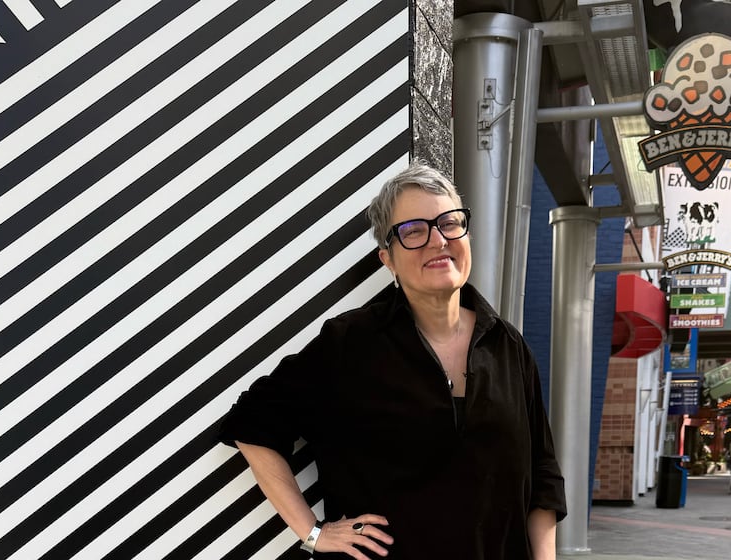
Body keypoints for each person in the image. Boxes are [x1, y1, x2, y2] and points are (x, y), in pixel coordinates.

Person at [218, 162, 567, 558]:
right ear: (388, 258)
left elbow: (543, 479)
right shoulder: (350, 344)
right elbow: (252, 422)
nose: (438, 240)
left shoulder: (509, 348)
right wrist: (313, 533)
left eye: (449, 223)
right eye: (414, 231)